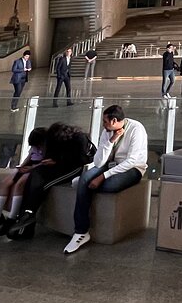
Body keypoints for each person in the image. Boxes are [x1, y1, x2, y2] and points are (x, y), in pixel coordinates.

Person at [64, 104, 149, 254]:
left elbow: (132, 161)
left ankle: (84, 186)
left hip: (133, 168)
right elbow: (98, 162)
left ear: (114, 120)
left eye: (105, 121)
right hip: (109, 164)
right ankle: (81, 232)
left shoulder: (136, 129)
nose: (103, 124)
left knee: (109, 185)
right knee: (85, 178)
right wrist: (111, 141)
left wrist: (103, 177)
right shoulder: (107, 132)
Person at [5, 122, 96, 240]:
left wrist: (58, 160)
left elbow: (83, 159)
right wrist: (38, 165)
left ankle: (29, 214)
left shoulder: (80, 139)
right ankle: (26, 215)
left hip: (73, 168)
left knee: (45, 185)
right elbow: (50, 157)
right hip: (58, 166)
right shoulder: (52, 138)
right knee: (34, 177)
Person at [0, 127, 48, 235]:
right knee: (6, 183)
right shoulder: (34, 147)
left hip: (38, 169)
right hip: (29, 165)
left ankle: (11, 218)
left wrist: (32, 168)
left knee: (19, 185)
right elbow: (29, 156)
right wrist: (21, 166)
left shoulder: (48, 148)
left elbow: (46, 162)